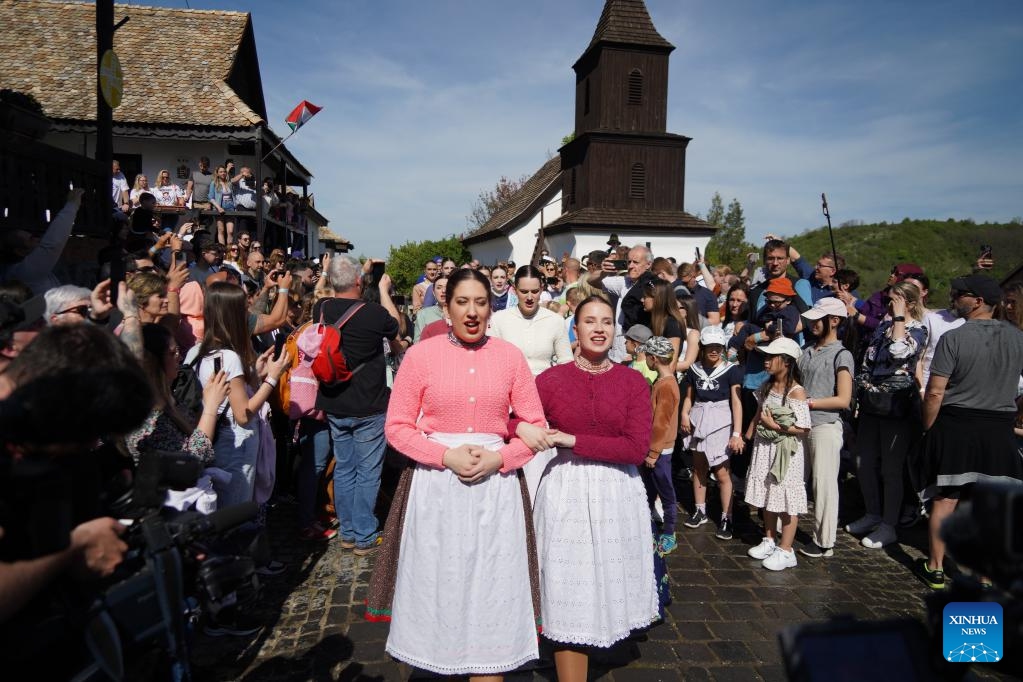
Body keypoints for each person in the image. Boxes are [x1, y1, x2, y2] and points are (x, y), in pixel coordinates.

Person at [371, 268, 547, 676]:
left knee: (494, 590)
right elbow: (396, 426)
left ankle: (490, 660)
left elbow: (533, 425)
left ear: (491, 307)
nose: (472, 312)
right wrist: (443, 456)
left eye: (480, 302)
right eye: (462, 302)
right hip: (436, 488)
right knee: (437, 585)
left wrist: (500, 458)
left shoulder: (510, 357)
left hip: (496, 491)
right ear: (445, 308)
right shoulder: (420, 356)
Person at [527, 294, 658, 681]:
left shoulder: (632, 381)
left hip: (616, 492)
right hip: (565, 490)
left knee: (603, 583)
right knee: (569, 587)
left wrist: (571, 440)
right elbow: (523, 426)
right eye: (590, 321)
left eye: (606, 322)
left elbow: (635, 448)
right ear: (576, 328)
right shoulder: (549, 380)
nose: (599, 329)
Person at [914, 275, 1023, 589]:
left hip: (957, 426)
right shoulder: (1018, 338)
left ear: (978, 301)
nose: (952, 298)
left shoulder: (954, 337)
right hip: (999, 429)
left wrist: (928, 427)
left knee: (946, 500)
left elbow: (935, 392)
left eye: (959, 294)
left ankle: (935, 568)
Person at [313, 255, 401, 554]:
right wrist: (385, 291)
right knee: (367, 470)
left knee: (344, 467)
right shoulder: (373, 313)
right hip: (368, 404)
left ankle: (348, 531)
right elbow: (397, 327)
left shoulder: (321, 309)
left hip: (335, 401)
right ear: (359, 282)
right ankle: (364, 534)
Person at [184, 282, 291, 509]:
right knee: (235, 515)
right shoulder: (229, 357)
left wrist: (255, 375)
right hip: (234, 445)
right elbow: (243, 414)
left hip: (208, 438)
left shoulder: (195, 351)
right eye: (244, 309)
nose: (249, 314)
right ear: (232, 314)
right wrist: (272, 377)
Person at [846, 281, 928, 549]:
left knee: (891, 468)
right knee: (863, 460)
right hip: (872, 403)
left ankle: (889, 524)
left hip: (896, 407)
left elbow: (899, 351)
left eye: (894, 301)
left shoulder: (917, 329)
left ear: (909, 303)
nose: (887, 306)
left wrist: (900, 318)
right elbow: (869, 359)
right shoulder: (883, 325)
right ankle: (873, 513)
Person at [743, 337, 811, 571]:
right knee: (768, 493)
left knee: (786, 499)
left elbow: (803, 428)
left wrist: (774, 427)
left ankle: (786, 549)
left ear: (786, 361)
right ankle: (769, 539)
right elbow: (760, 410)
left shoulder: (796, 391)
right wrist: (750, 431)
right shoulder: (768, 386)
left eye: (772, 357)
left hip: (784, 451)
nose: (767, 361)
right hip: (765, 447)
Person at [795, 298, 854, 558]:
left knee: (824, 482)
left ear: (835, 320)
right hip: (801, 424)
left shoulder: (843, 355)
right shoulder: (807, 349)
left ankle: (824, 540)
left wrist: (809, 403)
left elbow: (843, 399)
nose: (811, 323)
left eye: (818, 318)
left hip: (825, 425)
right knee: (795, 479)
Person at [681, 325, 744, 540]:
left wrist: (737, 432)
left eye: (718, 346)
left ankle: (727, 516)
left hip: (720, 420)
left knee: (721, 471)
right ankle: (700, 509)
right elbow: (689, 396)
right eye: (710, 346)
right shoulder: (694, 369)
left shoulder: (731, 370)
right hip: (699, 417)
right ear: (702, 347)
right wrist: (684, 414)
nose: (714, 350)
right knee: (699, 467)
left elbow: (736, 402)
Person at [490, 265, 571, 375]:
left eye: (535, 291)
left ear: (542, 289)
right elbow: (491, 362)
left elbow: (566, 362)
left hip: (544, 387)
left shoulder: (556, 320)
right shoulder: (498, 320)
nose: (529, 297)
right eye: (524, 291)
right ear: (515, 290)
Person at [0, 188, 84, 295]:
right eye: (31, 239)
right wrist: (72, 205)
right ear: (20, 251)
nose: (38, 239)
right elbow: (53, 243)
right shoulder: (24, 272)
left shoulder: (24, 270)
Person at [641, 336, 682, 553]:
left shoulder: (666, 385)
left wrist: (653, 452)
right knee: (650, 487)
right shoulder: (663, 381)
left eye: (647, 355)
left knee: (665, 490)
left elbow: (661, 422)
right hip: (657, 448)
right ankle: (648, 527)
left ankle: (669, 533)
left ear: (654, 358)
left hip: (660, 449)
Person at [641, 278, 696, 373]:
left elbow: (672, 361)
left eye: (645, 297)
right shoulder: (654, 322)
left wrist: (663, 382)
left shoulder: (672, 323)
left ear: (656, 298)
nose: (642, 300)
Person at [209, 166, 236, 245]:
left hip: (230, 208)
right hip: (219, 209)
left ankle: (229, 251)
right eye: (221, 172)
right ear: (217, 173)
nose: (223, 173)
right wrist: (218, 207)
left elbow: (233, 196)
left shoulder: (229, 183)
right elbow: (211, 197)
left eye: (224, 171)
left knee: (230, 231)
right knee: (221, 230)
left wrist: (235, 206)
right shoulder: (214, 183)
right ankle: (222, 251)